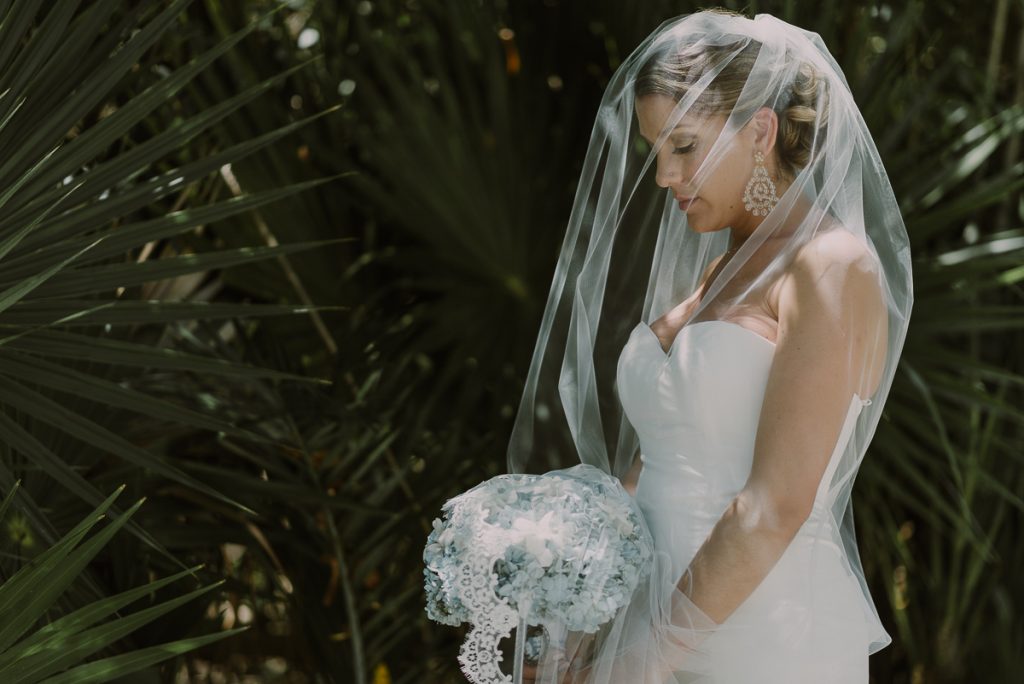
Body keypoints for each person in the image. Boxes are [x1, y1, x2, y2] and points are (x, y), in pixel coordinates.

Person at [506, 8, 912, 684]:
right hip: (650, 623)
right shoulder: (718, 273)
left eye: (685, 145)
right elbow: (658, 461)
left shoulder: (831, 266)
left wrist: (649, 658)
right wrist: (583, 617)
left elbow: (776, 503)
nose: (664, 174)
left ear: (760, 130)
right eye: (655, 150)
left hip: (761, 639)